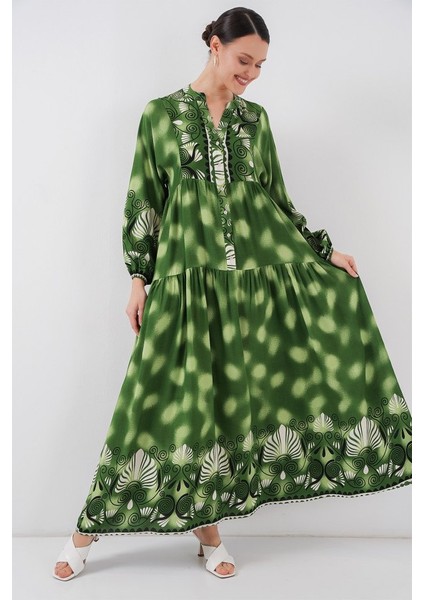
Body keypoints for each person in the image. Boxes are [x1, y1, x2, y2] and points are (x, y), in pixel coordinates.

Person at [53, 6, 412, 582]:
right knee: (152, 403)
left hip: (248, 287)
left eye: (261, 65)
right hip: (185, 282)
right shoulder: (161, 115)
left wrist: (323, 251)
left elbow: (275, 200)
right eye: (245, 59)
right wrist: (138, 277)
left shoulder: (255, 120)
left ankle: (211, 533)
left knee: (220, 405)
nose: (252, 73)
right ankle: (86, 530)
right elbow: (145, 200)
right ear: (215, 46)